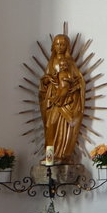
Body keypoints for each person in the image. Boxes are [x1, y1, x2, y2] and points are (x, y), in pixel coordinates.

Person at [39, 33, 85, 163]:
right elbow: (44, 81)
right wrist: (48, 80)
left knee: (66, 128)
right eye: (57, 44)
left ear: (67, 46)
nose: (60, 46)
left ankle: (63, 155)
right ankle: (50, 157)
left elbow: (79, 81)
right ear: (53, 45)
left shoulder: (70, 62)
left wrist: (70, 88)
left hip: (67, 102)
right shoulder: (51, 62)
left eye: (63, 44)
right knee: (50, 126)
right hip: (53, 101)